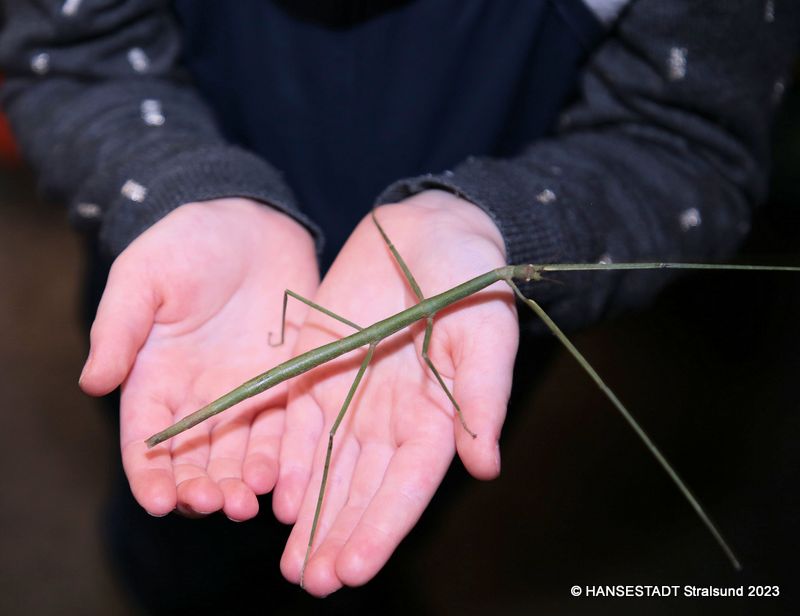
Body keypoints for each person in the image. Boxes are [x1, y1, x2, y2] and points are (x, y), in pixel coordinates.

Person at [1, 0, 797, 610]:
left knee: (376, 496)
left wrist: (488, 226)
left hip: (421, 372)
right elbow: (72, 54)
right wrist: (188, 194)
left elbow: (685, 139)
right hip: (192, 338)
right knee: (180, 553)